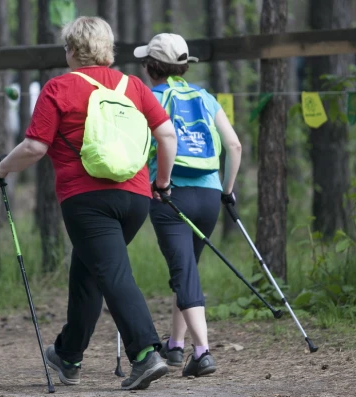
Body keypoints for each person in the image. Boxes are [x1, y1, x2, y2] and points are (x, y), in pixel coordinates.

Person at [0, 17, 178, 390]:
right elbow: (167, 134)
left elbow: (35, 147)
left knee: (111, 272)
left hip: (87, 199)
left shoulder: (59, 87)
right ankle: (68, 355)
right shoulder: (133, 86)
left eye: (65, 47)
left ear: (73, 50)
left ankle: (145, 354)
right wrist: (162, 184)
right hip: (136, 197)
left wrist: (1, 169)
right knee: (89, 272)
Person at [133, 33, 242, 377]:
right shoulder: (205, 97)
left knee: (183, 272)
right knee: (187, 269)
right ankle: (176, 346)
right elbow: (234, 146)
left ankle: (203, 352)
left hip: (169, 194)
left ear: (150, 67)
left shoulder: (147, 99)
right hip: (209, 196)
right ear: (183, 66)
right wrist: (226, 191)